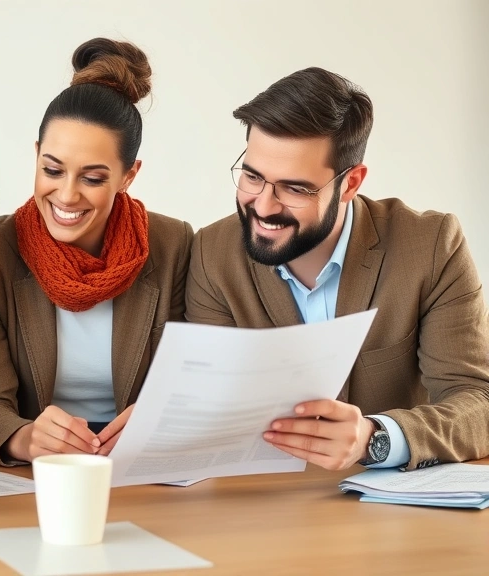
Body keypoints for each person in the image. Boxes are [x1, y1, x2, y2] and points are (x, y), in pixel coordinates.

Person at [185, 67, 489, 471]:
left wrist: (375, 437)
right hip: (261, 503)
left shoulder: (431, 245)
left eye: (294, 188)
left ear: (350, 183)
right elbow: (211, 401)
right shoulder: (212, 253)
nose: (263, 206)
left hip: (393, 513)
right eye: (252, 177)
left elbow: (477, 402)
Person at [0, 38, 194, 465]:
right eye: (52, 170)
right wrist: (25, 437)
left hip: (142, 472)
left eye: (92, 178)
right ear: (35, 156)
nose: (66, 195)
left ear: (129, 175)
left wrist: (161, 419)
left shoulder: (173, 244)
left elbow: (191, 382)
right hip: (38, 477)